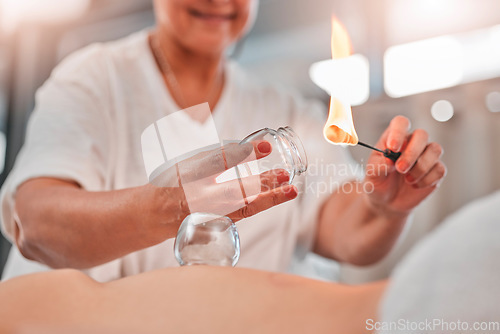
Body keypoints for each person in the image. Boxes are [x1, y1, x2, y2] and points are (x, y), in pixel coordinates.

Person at [0, 0, 446, 282]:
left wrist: (382, 207)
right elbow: (38, 224)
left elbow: (345, 232)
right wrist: (171, 207)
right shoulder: (93, 80)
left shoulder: (288, 111)